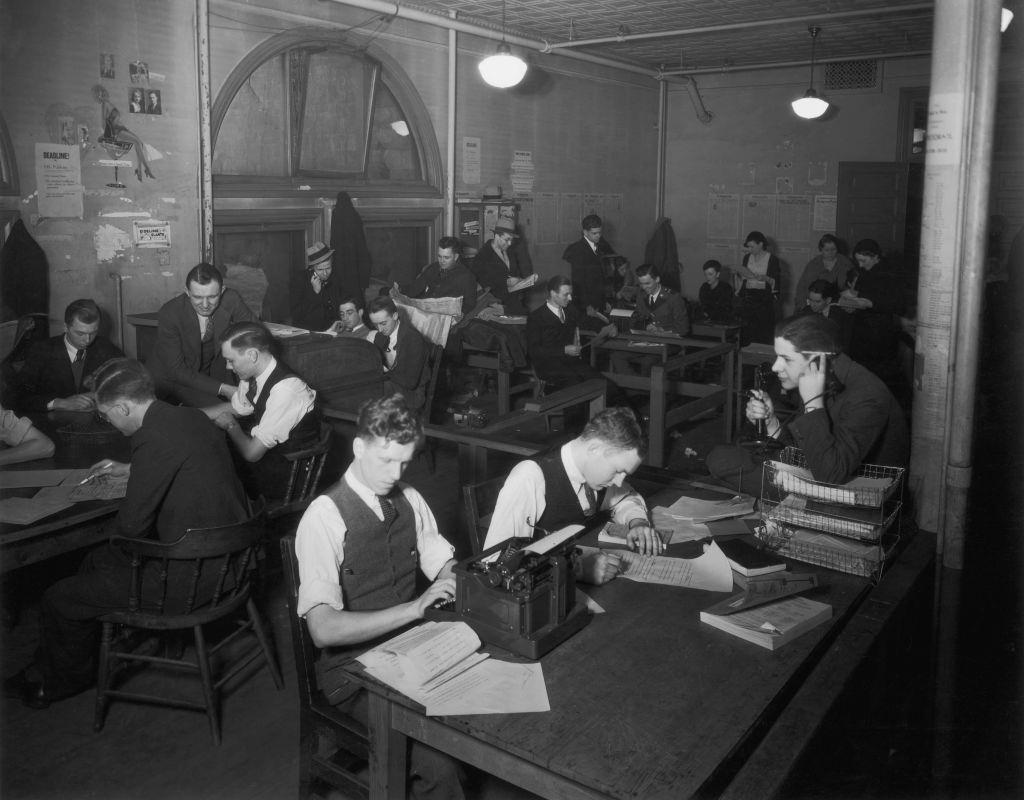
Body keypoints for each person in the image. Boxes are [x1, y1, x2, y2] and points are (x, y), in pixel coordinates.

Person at [4, 359, 249, 709]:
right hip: (232, 562)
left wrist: (131, 488)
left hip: (193, 579)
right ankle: (62, 660)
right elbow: (182, 458)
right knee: (93, 562)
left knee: (59, 598)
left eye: (107, 416)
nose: (110, 422)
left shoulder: (149, 437)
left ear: (122, 406)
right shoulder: (190, 416)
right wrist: (134, 469)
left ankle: (60, 682)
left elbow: (132, 529)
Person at [294, 393, 465, 799]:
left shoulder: (409, 498)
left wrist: (454, 578)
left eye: (405, 461)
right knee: (440, 763)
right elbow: (323, 630)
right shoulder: (325, 516)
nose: (396, 472)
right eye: (385, 460)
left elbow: (444, 563)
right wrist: (414, 608)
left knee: (479, 721)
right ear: (359, 447)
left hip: (409, 652)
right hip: (352, 674)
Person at [706, 314, 908, 491]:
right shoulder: (820, 377)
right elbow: (805, 451)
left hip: (854, 492)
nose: (776, 367)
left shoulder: (868, 395)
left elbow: (831, 475)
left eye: (786, 358)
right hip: (819, 472)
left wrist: (813, 402)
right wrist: (772, 422)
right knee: (720, 457)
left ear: (816, 360)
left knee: (722, 463)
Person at [483, 407, 663, 585]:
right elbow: (497, 565)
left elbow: (626, 497)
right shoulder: (531, 476)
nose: (618, 482)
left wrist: (638, 522)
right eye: (617, 471)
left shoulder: (592, 474)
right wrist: (576, 569)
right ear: (594, 448)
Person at [203, 322, 320, 502]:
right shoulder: (252, 374)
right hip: (271, 458)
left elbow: (252, 453)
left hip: (288, 475)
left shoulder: (285, 390)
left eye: (231, 360)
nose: (228, 366)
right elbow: (238, 408)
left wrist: (231, 425)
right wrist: (194, 414)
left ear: (252, 355)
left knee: (206, 470)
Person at [149, 262, 257, 408]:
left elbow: (255, 333)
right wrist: (224, 389)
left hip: (211, 374)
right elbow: (177, 370)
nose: (205, 305)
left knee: (247, 406)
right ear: (187, 292)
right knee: (222, 411)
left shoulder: (231, 299)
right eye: (197, 297)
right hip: (173, 378)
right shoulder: (170, 313)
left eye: (213, 296)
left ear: (222, 291)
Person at [14, 299, 124, 413]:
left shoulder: (106, 348)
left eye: (93, 332)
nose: (87, 340)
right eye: (80, 333)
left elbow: (128, 384)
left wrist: (96, 395)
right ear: (66, 327)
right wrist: (59, 403)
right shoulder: (42, 350)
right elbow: (17, 397)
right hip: (50, 423)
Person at [525, 274, 617, 392]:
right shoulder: (536, 317)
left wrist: (607, 327)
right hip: (548, 366)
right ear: (553, 294)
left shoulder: (569, 310)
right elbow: (534, 351)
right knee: (577, 385)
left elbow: (587, 321)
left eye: (570, 294)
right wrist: (563, 350)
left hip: (570, 362)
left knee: (605, 384)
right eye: (566, 295)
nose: (570, 298)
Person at [840, 239, 906, 391]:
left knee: (879, 378)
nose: (860, 265)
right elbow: (861, 294)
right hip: (862, 331)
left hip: (881, 334)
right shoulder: (864, 272)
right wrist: (850, 303)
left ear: (875, 257)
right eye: (858, 261)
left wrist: (872, 304)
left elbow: (899, 305)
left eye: (863, 261)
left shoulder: (891, 273)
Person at [366, 296, 429, 411]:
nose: (380, 329)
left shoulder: (413, 339)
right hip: (389, 386)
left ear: (395, 316)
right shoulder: (380, 336)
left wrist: (383, 369)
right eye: (376, 325)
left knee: (368, 394)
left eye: (383, 323)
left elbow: (410, 382)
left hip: (412, 395)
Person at [402, 236, 478, 318]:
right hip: (425, 313)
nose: (442, 261)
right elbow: (414, 288)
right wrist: (399, 290)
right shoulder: (433, 268)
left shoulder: (466, 276)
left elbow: (470, 304)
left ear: (456, 257)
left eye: (446, 257)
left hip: (447, 318)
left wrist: (460, 315)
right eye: (439, 256)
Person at [562, 214, 617, 316]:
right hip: (586, 304)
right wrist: (587, 305)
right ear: (585, 232)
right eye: (594, 233)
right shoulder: (577, 250)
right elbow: (578, 282)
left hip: (600, 300)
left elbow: (603, 278)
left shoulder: (602, 246)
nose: (598, 236)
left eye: (600, 232)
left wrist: (605, 301)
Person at [470, 220, 528, 315]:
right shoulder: (483, 255)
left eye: (511, 240)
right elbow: (479, 284)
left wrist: (520, 281)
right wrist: (506, 282)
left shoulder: (510, 252)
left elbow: (515, 273)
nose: (509, 243)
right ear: (497, 236)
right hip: (494, 305)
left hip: (512, 303)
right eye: (507, 239)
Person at [735, 230, 781, 345]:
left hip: (764, 300)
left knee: (763, 333)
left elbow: (776, 281)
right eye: (748, 247)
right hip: (749, 299)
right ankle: (745, 360)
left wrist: (765, 278)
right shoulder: (747, 258)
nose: (750, 250)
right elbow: (744, 278)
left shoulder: (772, 259)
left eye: (752, 246)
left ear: (761, 244)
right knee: (747, 332)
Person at [292, 241, 345, 331]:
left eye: (328, 268)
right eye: (320, 269)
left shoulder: (336, 277)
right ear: (312, 268)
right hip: (309, 331)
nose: (325, 273)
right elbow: (296, 315)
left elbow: (341, 304)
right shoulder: (299, 280)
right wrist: (315, 293)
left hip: (334, 329)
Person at [793, 234, 855, 309]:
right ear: (821, 249)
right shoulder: (814, 264)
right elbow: (802, 287)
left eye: (833, 249)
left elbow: (853, 287)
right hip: (813, 305)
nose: (830, 253)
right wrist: (802, 306)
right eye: (827, 250)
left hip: (838, 305)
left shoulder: (845, 263)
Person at [629, 263, 690, 335]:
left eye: (647, 283)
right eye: (641, 284)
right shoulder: (641, 295)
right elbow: (637, 319)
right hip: (647, 339)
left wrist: (661, 330)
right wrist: (645, 326)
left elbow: (683, 328)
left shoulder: (673, 297)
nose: (644, 287)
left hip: (669, 341)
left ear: (657, 279)